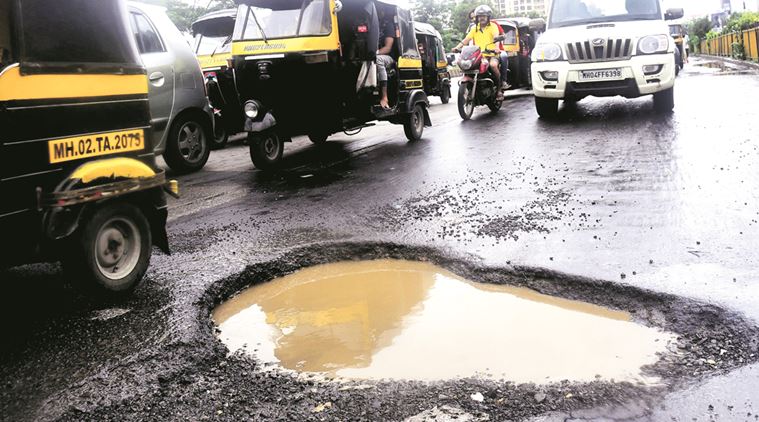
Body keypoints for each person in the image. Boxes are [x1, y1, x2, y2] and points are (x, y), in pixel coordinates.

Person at [452, 5, 504, 100]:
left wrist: (496, 48)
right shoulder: (474, 28)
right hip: (479, 55)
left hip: (491, 54)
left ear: (488, 17)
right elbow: (466, 39)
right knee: (469, 67)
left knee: (493, 65)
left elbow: (497, 38)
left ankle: (499, 89)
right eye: (479, 16)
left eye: (483, 16)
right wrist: (457, 47)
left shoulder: (493, 26)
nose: (481, 18)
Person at [376, 8, 395, 109]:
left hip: (388, 57)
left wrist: (375, 53)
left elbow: (388, 48)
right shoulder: (371, 25)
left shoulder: (388, 25)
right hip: (372, 55)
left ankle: (384, 97)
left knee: (378, 60)